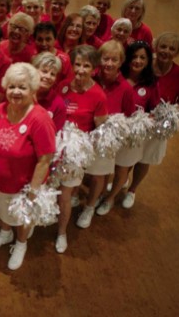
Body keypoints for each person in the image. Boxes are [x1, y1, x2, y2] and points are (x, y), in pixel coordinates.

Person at [0, 63, 56, 270]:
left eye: (22, 87)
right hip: (0, 181)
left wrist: (32, 192)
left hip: (24, 184)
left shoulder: (39, 118)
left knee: (23, 216)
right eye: (12, 86)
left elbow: (45, 159)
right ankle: (5, 233)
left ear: (33, 90)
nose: (16, 92)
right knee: (4, 211)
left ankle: (21, 243)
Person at [124, 33, 179, 209]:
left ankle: (132, 189)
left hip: (159, 124)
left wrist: (175, 113)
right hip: (137, 119)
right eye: (163, 46)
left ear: (176, 52)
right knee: (129, 152)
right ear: (156, 46)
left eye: (171, 49)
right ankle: (122, 179)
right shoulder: (145, 64)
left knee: (144, 158)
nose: (166, 51)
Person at [97, 40, 159, 216]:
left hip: (130, 133)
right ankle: (101, 194)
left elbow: (152, 110)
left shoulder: (150, 83)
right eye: (134, 57)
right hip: (107, 134)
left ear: (148, 61)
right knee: (106, 167)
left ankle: (110, 199)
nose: (137, 61)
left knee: (122, 167)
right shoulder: (115, 76)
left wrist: (142, 122)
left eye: (142, 57)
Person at [78, 40, 135, 229]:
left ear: (121, 62)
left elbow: (129, 116)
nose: (109, 63)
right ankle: (78, 196)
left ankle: (90, 207)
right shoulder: (89, 78)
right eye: (105, 58)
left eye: (114, 60)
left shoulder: (125, 88)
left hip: (105, 140)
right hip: (84, 134)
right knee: (81, 171)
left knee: (98, 175)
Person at [56, 45, 107, 253]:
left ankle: (61, 233)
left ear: (94, 69)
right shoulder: (63, 85)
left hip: (75, 153)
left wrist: (78, 148)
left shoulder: (98, 95)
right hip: (55, 148)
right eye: (77, 64)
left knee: (65, 194)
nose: (81, 70)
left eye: (86, 66)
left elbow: (99, 130)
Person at [33, 52, 66, 131]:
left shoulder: (58, 104)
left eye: (52, 74)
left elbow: (55, 135)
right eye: (44, 71)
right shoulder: (22, 93)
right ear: (33, 70)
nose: (48, 77)